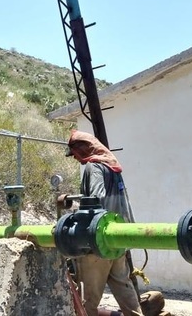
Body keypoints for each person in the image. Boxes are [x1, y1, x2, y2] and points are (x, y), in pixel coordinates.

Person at [65, 130, 143, 316]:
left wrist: (69, 199)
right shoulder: (112, 166)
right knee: (124, 288)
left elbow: (96, 197)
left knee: (88, 300)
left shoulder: (94, 167)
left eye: (74, 153)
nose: (75, 158)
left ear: (83, 149)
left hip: (98, 239)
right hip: (118, 238)